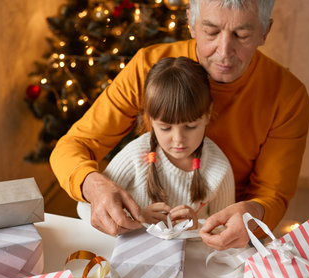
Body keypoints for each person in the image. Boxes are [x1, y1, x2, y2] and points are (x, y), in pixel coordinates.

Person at [50, 0, 309, 250]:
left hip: (227, 237)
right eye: (211, 31)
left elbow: (272, 193)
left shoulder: (287, 96)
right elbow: (74, 146)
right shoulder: (147, 68)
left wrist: (255, 213)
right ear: (191, 23)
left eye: (242, 35)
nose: (224, 51)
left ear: (265, 32)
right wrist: (94, 185)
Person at [76, 57, 235, 229]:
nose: (178, 139)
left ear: (207, 115)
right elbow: (86, 209)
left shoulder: (219, 168)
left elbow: (225, 230)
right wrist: (138, 218)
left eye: (190, 126)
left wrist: (196, 227)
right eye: (166, 128)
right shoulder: (135, 156)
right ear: (151, 120)